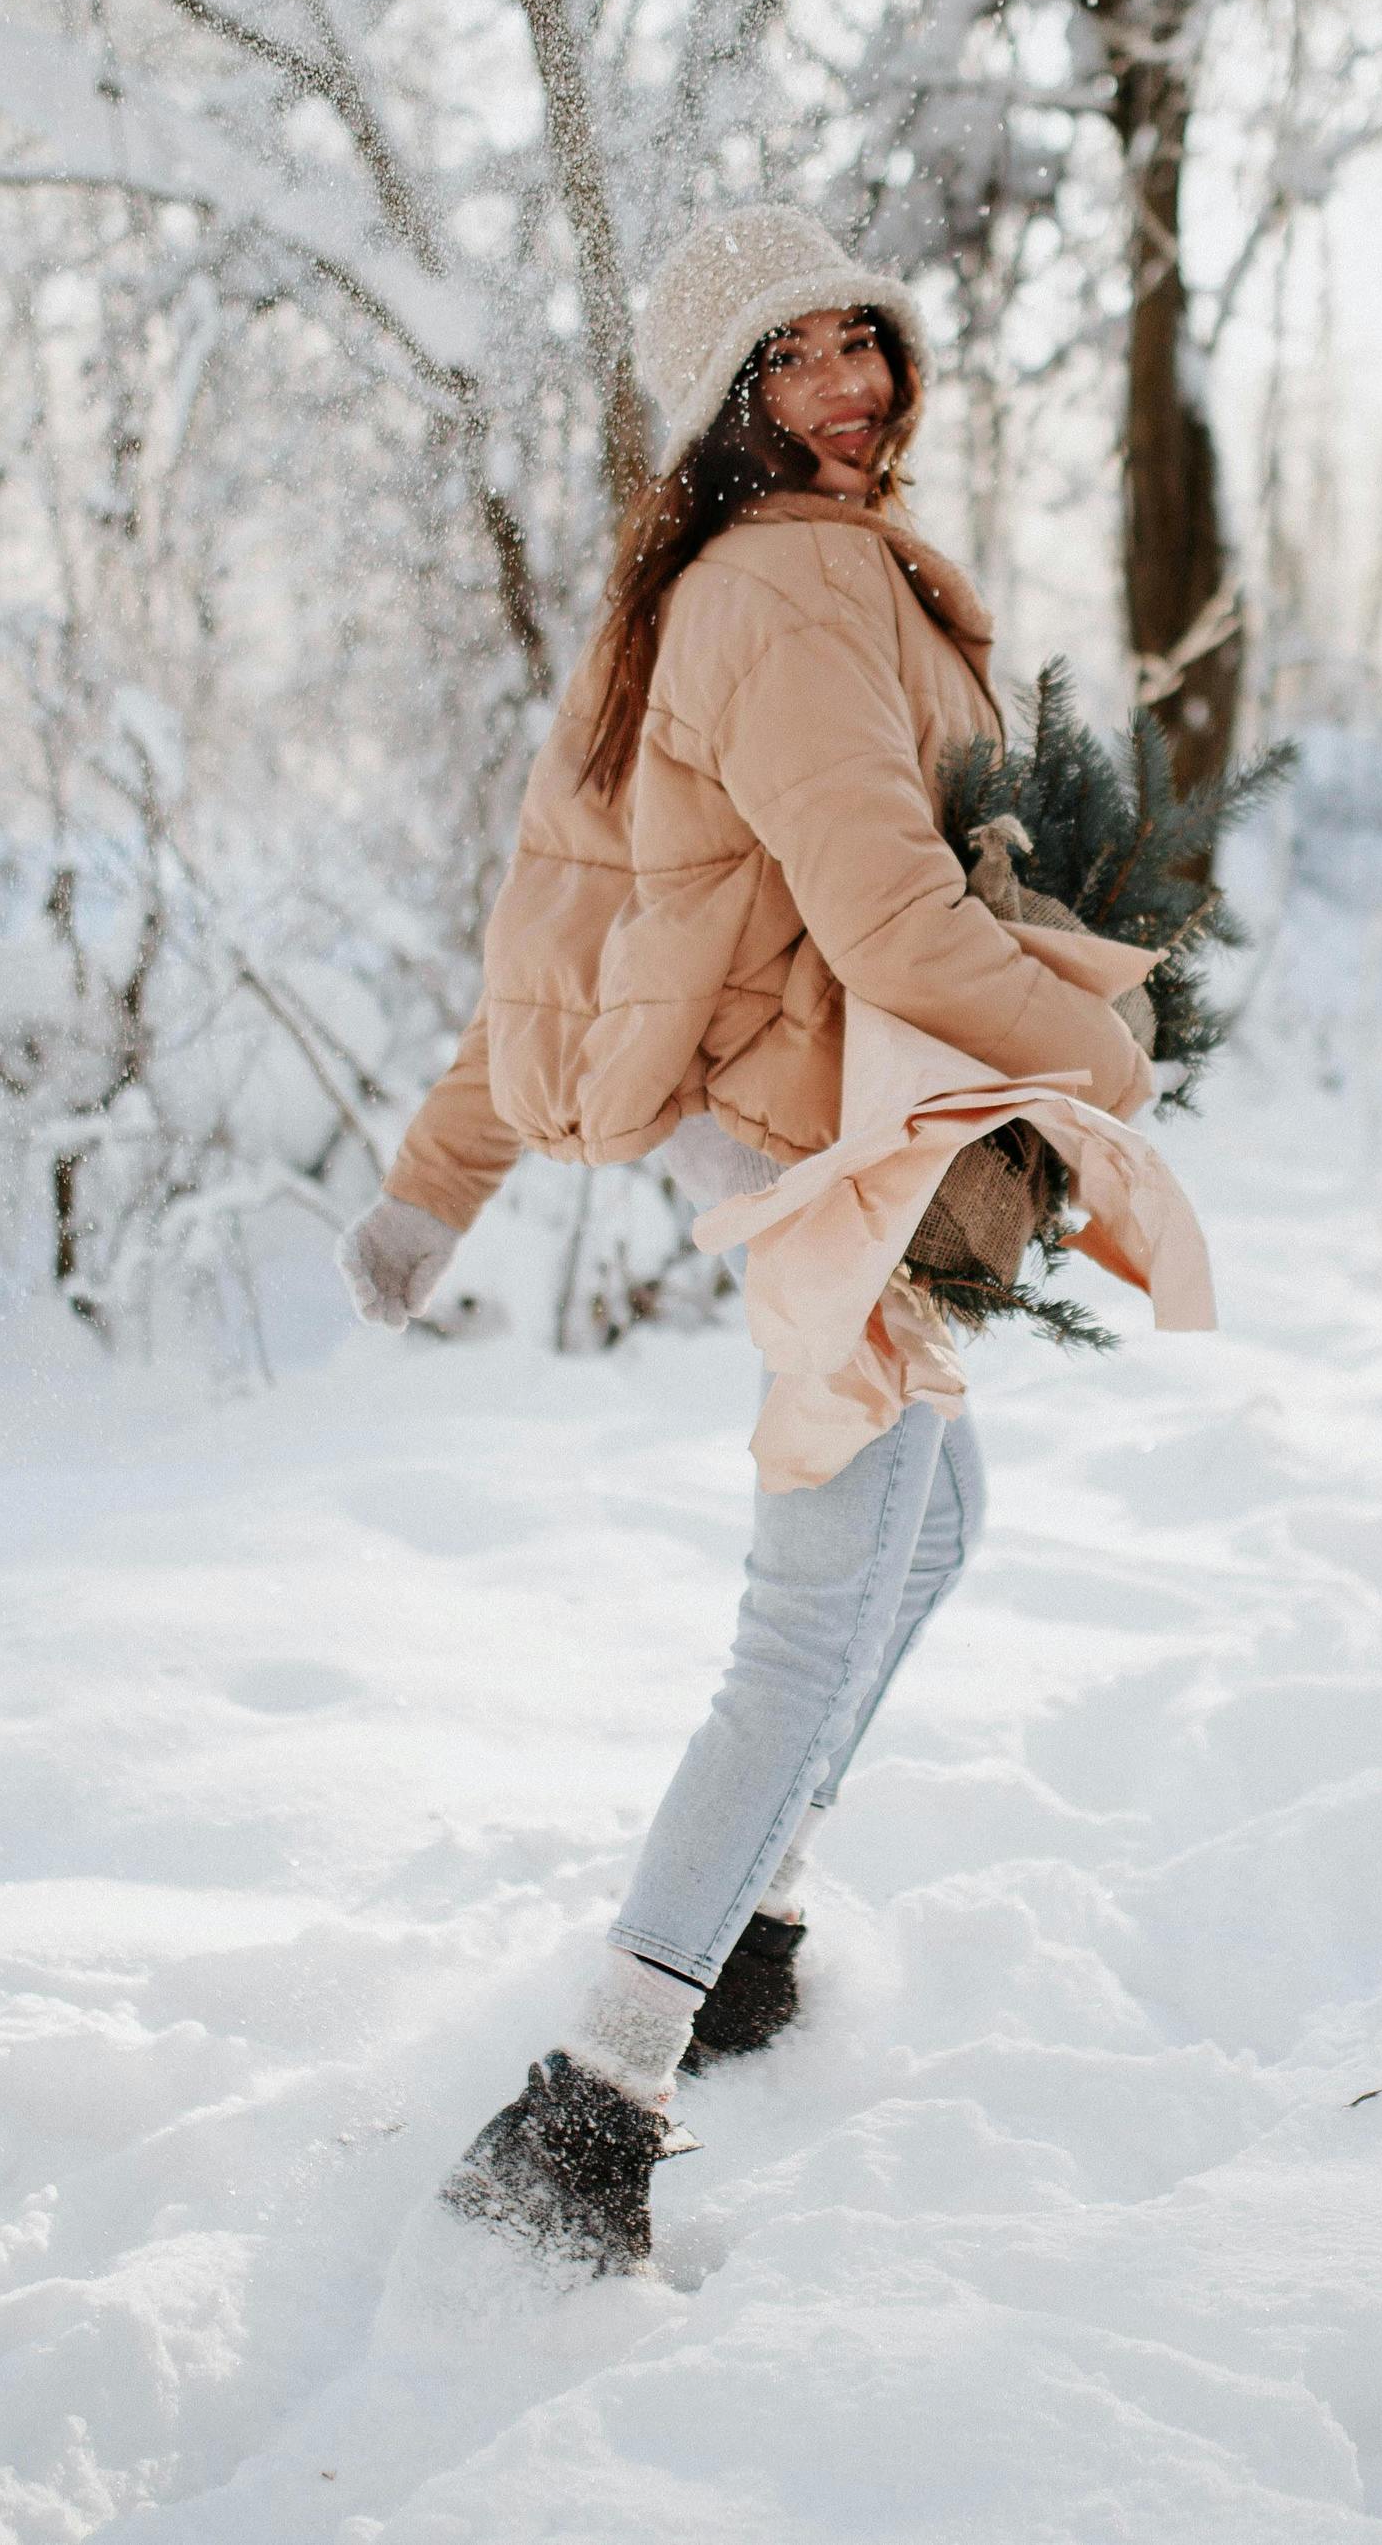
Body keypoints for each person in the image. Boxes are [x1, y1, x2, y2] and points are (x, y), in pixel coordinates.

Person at [332, 204, 1160, 2278]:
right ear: (730, 404)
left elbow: (571, 920)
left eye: (861, 345)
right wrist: (1104, 1039)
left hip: (796, 1123)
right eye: (790, 362)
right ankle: (592, 2092)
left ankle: (753, 1928)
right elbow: (885, 921)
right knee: (819, 1599)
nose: (846, 390)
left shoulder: (709, 579)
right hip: (820, 1147)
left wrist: (438, 1175)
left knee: (932, 1517)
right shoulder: (786, 588)